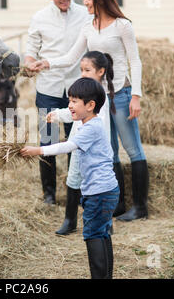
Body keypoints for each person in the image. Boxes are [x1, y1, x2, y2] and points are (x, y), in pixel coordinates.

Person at [29, 0, 149, 221]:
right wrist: (47, 63)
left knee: (132, 149)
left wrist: (136, 95)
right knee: (111, 152)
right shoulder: (89, 27)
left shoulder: (122, 26)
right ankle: (118, 205)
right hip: (100, 98)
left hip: (122, 94)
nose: (83, 3)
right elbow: (73, 56)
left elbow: (134, 61)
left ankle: (141, 207)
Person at [21, 77, 119, 279]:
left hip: (100, 192)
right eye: (69, 100)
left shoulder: (91, 128)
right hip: (103, 190)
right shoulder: (89, 125)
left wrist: (37, 150)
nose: (70, 105)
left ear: (91, 105)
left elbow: (67, 146)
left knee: (93, 234)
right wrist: (57, 115)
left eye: (75, 101)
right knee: (101, 233)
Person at [24, 0, 91, 205]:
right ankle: (49, 193)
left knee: (78, 140)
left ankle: (78, 192)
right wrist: (30, 64)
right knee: (48, 140)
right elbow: (31, 50)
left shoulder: (85, 14)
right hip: (48, 88)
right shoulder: (40, 17)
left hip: (78, 86)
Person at [47, 51, 115, 235]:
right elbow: (73, 111)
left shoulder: (100, 97)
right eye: (81, 70)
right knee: (73, 180)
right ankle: (70, 220)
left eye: (87, 70)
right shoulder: (85, 92)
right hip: (78, 147)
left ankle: (106, 221)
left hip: (93, 150)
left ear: (100, 72)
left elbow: (98, 126)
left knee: (98, 184)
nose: (83, 74)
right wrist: (58, 115)